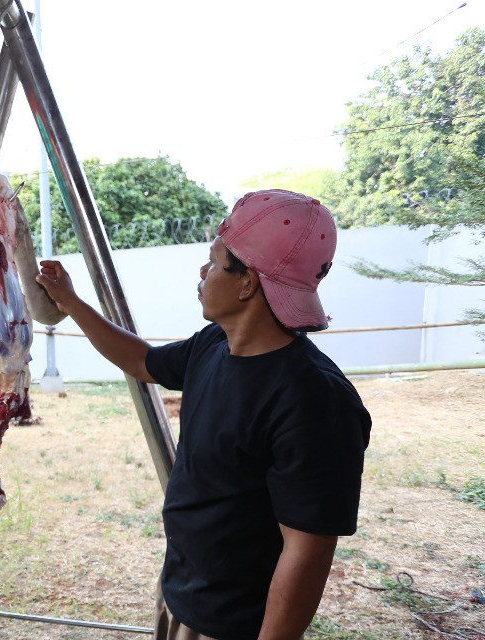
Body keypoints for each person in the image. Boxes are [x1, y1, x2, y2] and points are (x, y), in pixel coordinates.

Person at [35, 189, 371, 640]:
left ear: (247, 282)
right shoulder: (214, 344)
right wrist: (71, 302)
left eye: (213, 262)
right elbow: (141, 362)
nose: (202, 271)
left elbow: (306, 552)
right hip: (180, 592)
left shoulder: (315, 402)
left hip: (233, 624)